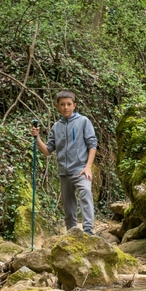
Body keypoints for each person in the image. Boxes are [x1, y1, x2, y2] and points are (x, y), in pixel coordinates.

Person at [31, 90, 97, 235]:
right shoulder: (56, 127)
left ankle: (88, 230)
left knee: (85, 192)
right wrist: (37, 138)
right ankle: (72, 231)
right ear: (57, 106)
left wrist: (88, 167)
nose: (66, 107)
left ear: (74, 105)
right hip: (64, 172)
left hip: (80, 169)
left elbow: (92, 144)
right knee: (68, 204)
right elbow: (48, 151)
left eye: (68, 104)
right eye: (62, 104)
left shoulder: (83, 121)